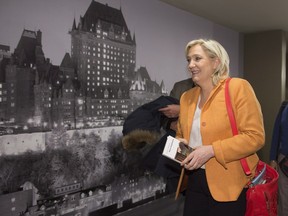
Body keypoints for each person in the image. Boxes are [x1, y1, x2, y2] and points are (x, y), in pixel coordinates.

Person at [175, 39, 265, 216]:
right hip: (194, 181)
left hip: (230, 183)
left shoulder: (238, 88)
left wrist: (211, 150)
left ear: (215, 62)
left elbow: (255, 136)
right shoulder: (186, 97)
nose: (191, 65)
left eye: (197, 58)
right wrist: (180, 145)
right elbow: (180, 134)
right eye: (188, 60)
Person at [269, 100, 288, 216]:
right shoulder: (284, 107)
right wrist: (272, 158)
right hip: (284, 161)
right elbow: (276, 133)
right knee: (284, 199)